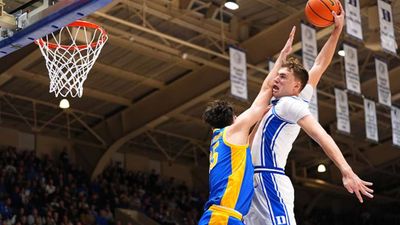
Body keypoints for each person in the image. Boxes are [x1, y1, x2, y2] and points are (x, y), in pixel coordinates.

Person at [244, 3, 374, 225]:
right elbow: (319, 65)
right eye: (277, 76)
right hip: (251, 183)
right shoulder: (278, 102)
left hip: (269, 180)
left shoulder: (290, 105)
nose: (276, 78)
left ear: (297, 87)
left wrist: (346, 170)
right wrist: (335, 32)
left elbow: (321, 136)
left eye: (283, 77)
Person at [198, 27, 296, 225]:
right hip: (223, 217)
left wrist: (259, 120)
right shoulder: (233, 130)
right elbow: (267, 89)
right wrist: (283, 57)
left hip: (227, 217)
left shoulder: (224, 141)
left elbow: (249, 144)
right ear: (234, 118)